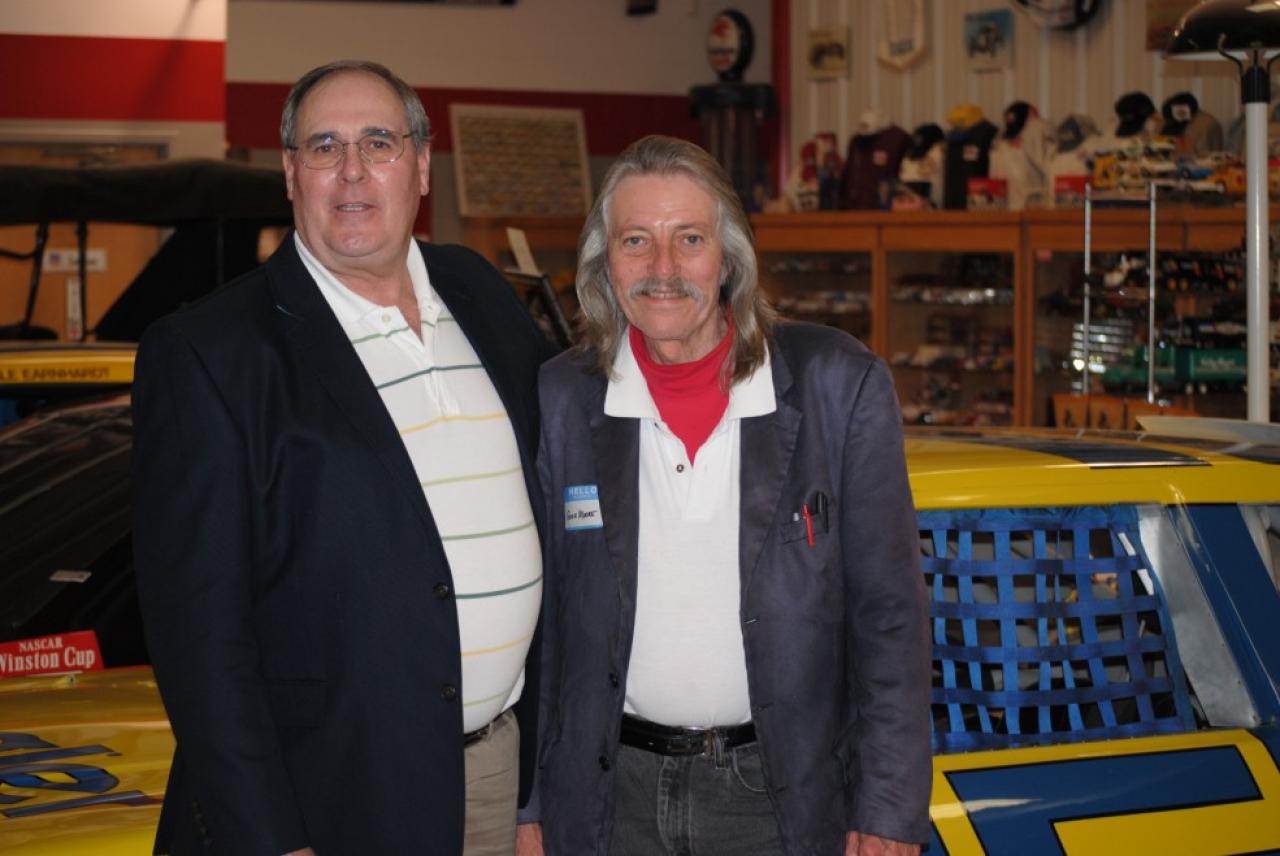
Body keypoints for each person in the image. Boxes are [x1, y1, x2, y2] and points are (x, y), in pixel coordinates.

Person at [132, 60, 552, 856]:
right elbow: (199, 643)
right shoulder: (209, 353)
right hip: (327, 797)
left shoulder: (481, 295)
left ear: (421, 166)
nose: (352, 169)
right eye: (324, 146)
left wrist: (535, 791)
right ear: (292, 173)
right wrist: (273, 839)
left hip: (497, 775)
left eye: (378, 142)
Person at [520, 135, 931, 856]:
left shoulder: (838, 385)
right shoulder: (563, 397)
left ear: (730, 257)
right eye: (636, 241)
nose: (663, 268)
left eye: (690, 239)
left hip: (777, 799)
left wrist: (889, 811)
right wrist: (530, 806)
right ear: (604, 263)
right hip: (610, 799)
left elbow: (890, 617)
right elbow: (542, 622)